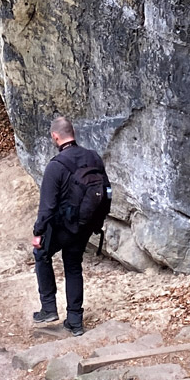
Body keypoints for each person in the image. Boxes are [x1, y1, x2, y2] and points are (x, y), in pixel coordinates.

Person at [31, 114, 109, 335]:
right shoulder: (93, 158)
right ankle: (75, 321)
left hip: (63, 226)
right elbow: (107, 191)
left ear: (55, 137)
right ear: (73, 134)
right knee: (73, 265)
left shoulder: (56, 166)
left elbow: (46, 208)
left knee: (41, 254)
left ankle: (48, 308)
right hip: (85, 225)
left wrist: (38, 233)